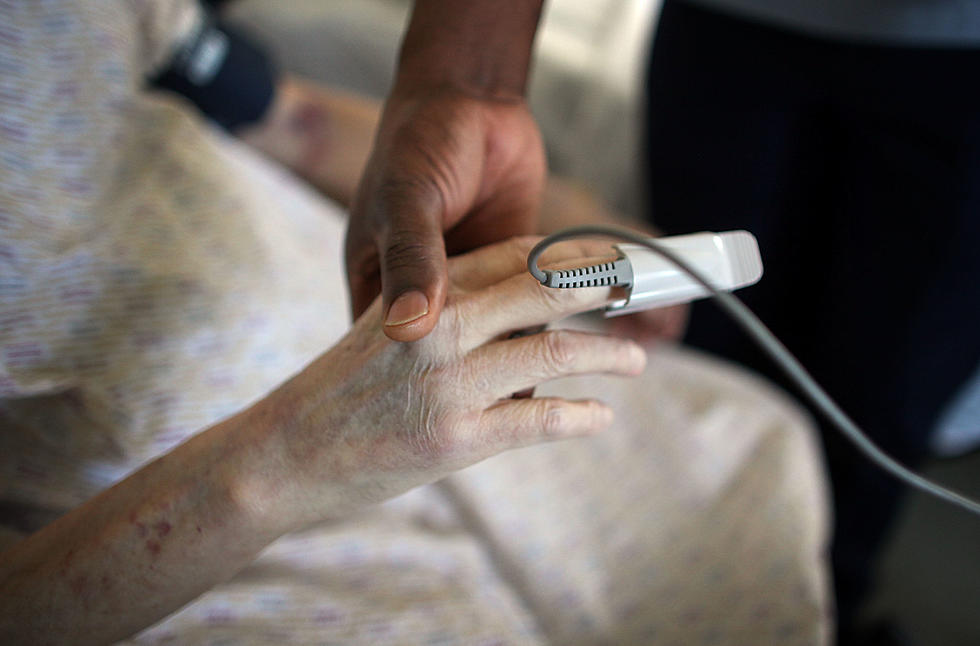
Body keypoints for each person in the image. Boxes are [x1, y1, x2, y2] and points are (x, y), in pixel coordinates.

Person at [0, 1, 831, 643]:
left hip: (399, 354)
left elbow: (287, 118)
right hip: (191, 513)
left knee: (752, 450)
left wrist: (559, 204)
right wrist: (293, 456)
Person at [642, 1, 980, 641]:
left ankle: (820, 607)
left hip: (963, 52)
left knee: (880, 400)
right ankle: (663, 589)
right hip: (730, 27)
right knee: (697, 350)